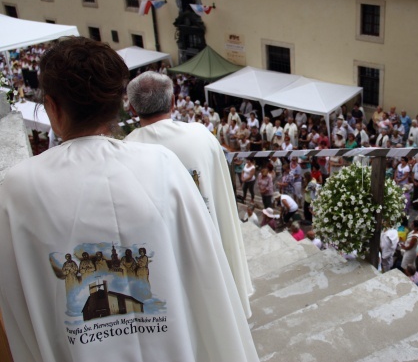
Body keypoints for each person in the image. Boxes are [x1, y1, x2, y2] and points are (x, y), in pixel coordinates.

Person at [0, 37, 258, 361]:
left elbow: (16, 309)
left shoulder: (18, 189)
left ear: (52, 106)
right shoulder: (163, 165)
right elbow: (206, 276)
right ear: (120, 104)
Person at [126, 71, 254, 319]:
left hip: (164, 252)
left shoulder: (125, 149)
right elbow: (221, 193)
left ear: (132, 109)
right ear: (174, 102)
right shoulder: (201, 135)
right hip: (207, 238)